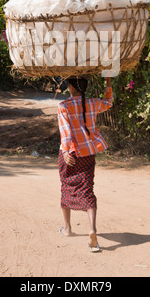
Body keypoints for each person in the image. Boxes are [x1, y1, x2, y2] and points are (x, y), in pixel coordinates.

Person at [57, 76, 113, 252]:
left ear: (71, 87)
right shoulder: (93, 103)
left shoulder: (64, 106)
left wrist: (65, 151)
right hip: (88, 153)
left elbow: (65, 132)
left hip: (71, 154)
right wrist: (109, 83)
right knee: (87, 190)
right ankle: (92, 229)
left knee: (67, 188)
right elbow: (108, 102)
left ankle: (67, 229)